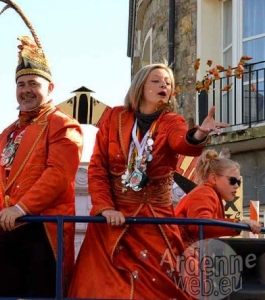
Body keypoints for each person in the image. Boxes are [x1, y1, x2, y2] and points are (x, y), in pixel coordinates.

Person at [68, 62, 229, 300]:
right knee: (104, 289)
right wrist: (105, 208)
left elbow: (181, 142)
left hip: (154, 219)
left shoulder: (172, 121)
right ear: (140, 86)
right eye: (156, 80)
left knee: (159, 288)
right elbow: (98, 169)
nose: (164, 85)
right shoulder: (114, 117)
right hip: (112, 220)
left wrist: (199, 134)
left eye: (168, 83)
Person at [0, 2, 83, 298]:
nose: (26, 89)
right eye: (21, 84)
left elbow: (58, 175)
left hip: (45, 231)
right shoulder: (9, 132)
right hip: (11, 229)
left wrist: (20, 209)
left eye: (33, 83)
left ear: (50, 88)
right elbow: (5, 184)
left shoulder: (64, 125)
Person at [175, 149, 262, 247]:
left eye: (239, 182)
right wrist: (239, 224)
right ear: (214, 178)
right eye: (232, 180)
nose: (237, 186)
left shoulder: (211, 194)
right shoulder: (205, 192)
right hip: (174, 254)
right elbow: (200, 225)